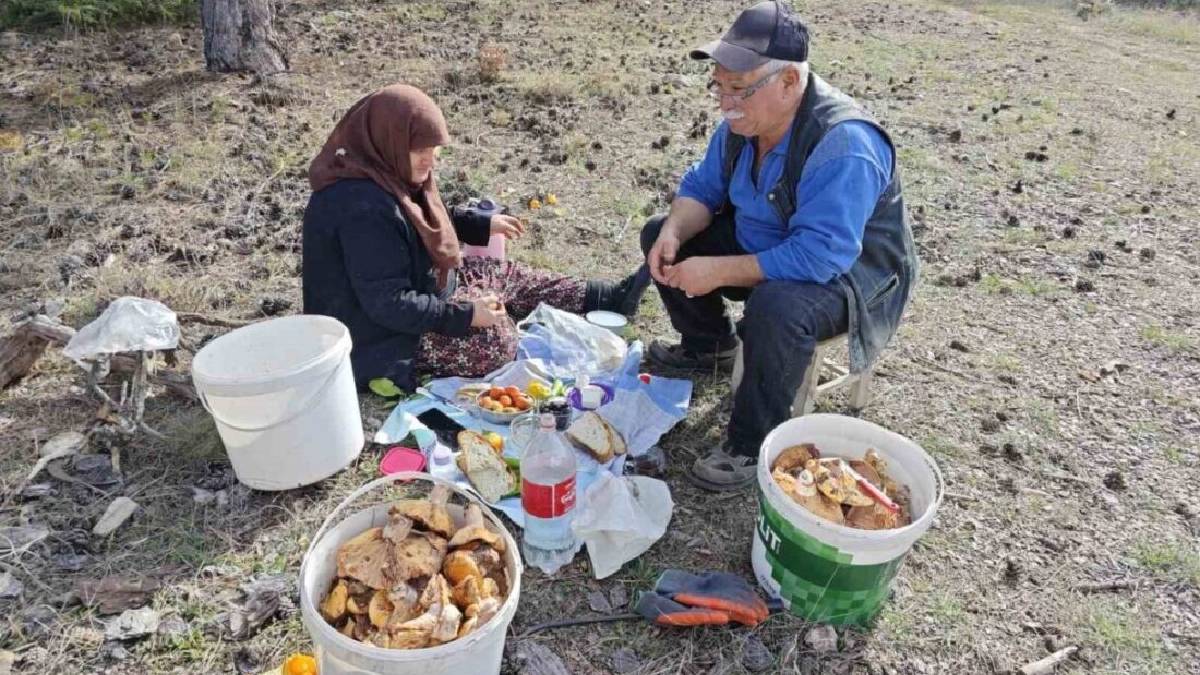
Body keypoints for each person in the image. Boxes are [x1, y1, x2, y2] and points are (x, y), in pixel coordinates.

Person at [641, 1, 919, 490]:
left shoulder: (843, 143)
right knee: (659, 232)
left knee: (777, 305)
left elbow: (819, 256)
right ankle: (711, 348)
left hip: (848, 277)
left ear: (790, 82)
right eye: (720, 88)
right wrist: (674, 233)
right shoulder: (743, 122)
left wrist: (719, 270)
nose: (725, 104)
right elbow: (703, 189)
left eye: (738, 90)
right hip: (770, 241)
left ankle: (753, 445)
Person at [303, 84, 648, 390]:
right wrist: (465, 316)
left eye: (433, 151)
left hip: (427, 290)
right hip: (379, 335)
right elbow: (388, 304)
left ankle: (611, 299)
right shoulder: (359, 208)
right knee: (493, 343)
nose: (429, 161)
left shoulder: (385, 171)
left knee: (503, 272)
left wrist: (480, 225)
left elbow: (418, 222)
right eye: (419, 150)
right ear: (389, 139)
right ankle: (490, 311)